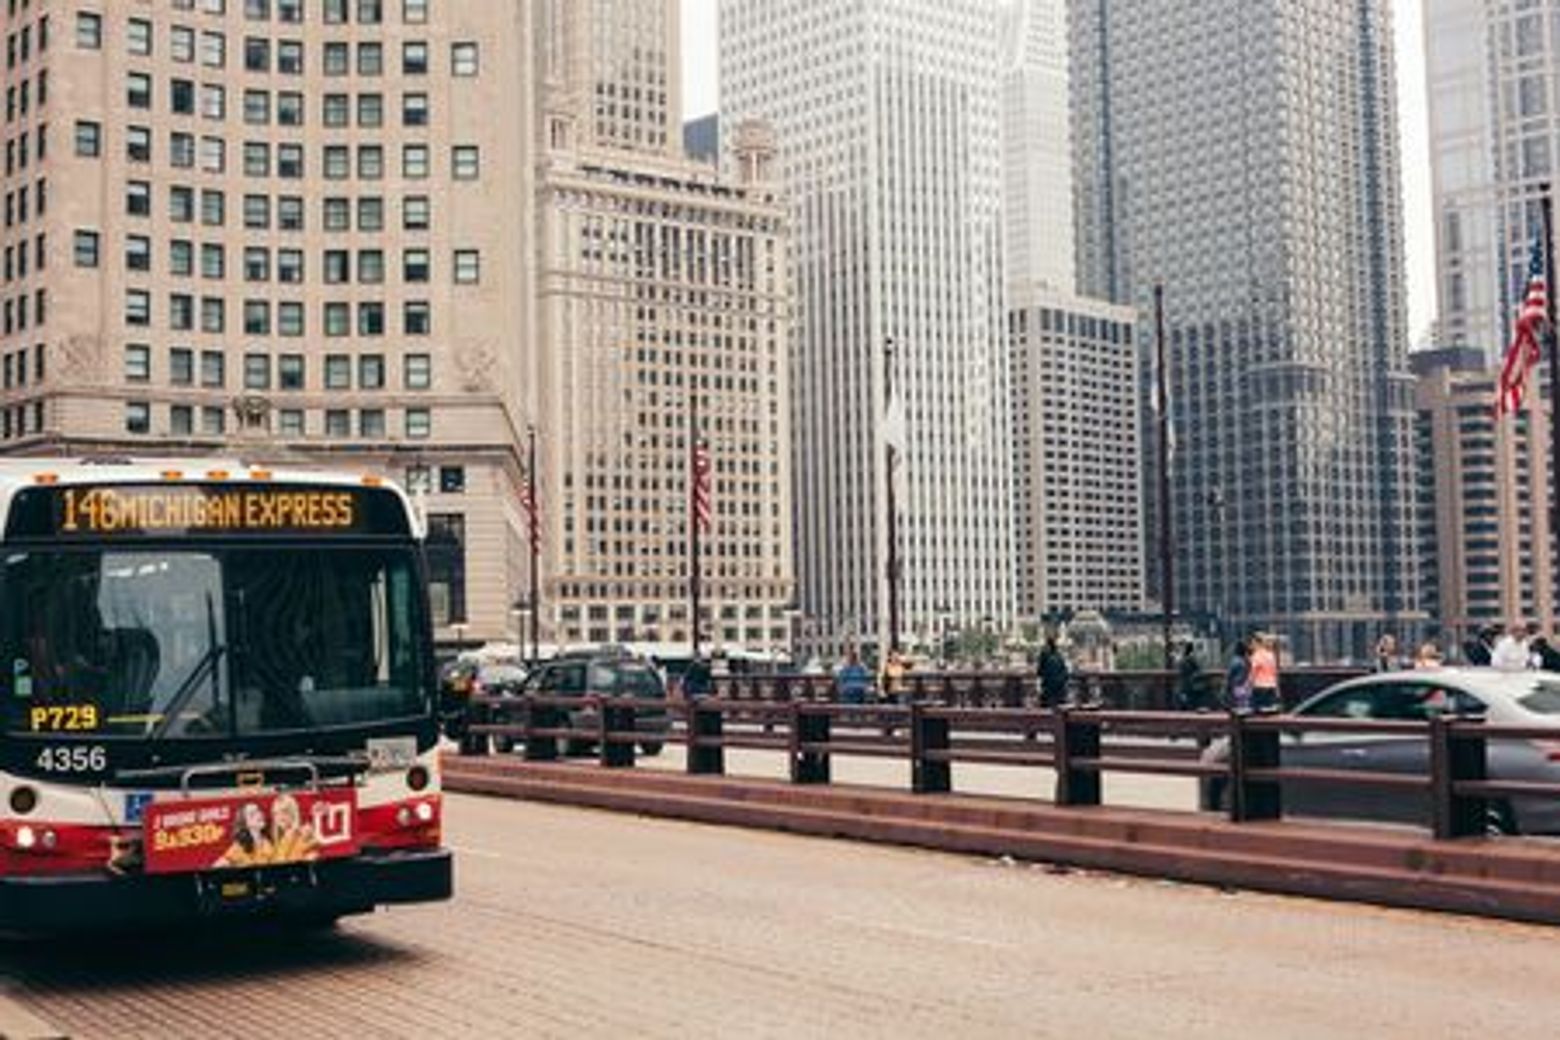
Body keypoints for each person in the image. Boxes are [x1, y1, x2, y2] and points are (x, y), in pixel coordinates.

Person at [215, 802, 273, 868]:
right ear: (245, 823)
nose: (259, 815)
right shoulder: (239, 847)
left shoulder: (272, 839)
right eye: (252, 814)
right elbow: (217, 866)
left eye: (258, 811)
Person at [1248, 634, 1281, 713]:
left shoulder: (1256, 655)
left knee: (1256, 711)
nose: (1252, 646)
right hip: (1271, 686)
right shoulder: (1271, 655)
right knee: (1270, 711)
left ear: (1258, 643)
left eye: (1253, 643)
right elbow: (1274, 672)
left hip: (1259, 686)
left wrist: (1249, 683)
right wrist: (1277, 688)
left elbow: (1253, 672)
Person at [1037, 638, 1069, 709]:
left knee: (1046, 708)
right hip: (1060, 689)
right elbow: (1065, 673)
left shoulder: (1045, 656)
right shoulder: (1059, 656)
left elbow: (1039, 672)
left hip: (1049, 689)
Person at [1223, 637, 1252, 712]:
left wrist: (1227, 685)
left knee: (1236, 706)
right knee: (1244, 705)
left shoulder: (1235, 660)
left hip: (1236, 686)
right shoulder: (1246, 660)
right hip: (1245, 685)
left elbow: (1229, 674)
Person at [1175, 641, 1203, 711]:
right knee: (1189, 704)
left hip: (1186, 686)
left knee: (1185, 704)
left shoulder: (1184, 660)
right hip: (1189, 686)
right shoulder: (1190, 659)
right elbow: (1199, 671)